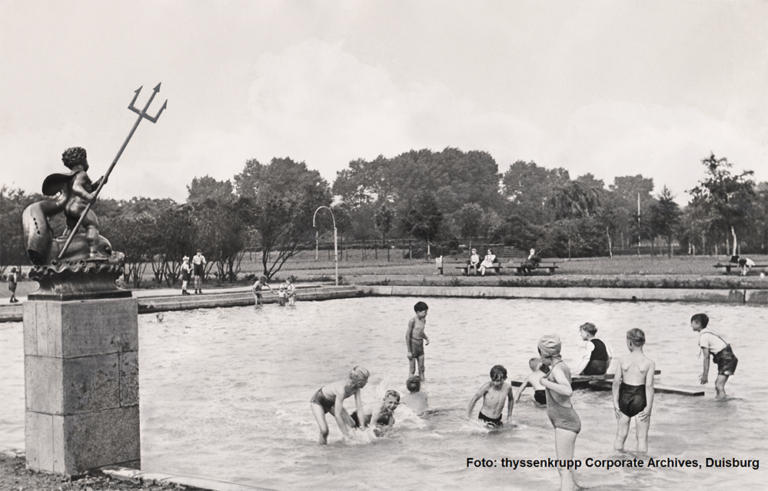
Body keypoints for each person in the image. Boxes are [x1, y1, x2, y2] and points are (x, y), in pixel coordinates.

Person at [538, 334, 580, 491]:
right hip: (565, 421)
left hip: (565, 422)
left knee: (564, 468)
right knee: (564, 466)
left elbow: (567, 390)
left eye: (540, 355)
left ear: (544, 354)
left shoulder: (556, 370)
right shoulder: (560, 366)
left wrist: (545, 382)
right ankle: (574, 488)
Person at [613, 328, 655, 453]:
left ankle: (617, 464)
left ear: (629, 342)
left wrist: (615, 404)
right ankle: (641, 469)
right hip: (640, 397)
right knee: (642, 437)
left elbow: (615, 383)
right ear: (644, 342)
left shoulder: (623, 360)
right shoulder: (649, 363)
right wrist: (648, 408)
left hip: (624, 397)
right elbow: (649, 386)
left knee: (620, 435)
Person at [60, 147, 106, 258]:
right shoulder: (82, 174)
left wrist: (99, 183)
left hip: (69, 208)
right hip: (79, 206)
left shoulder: (69, 176)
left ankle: (62, 248)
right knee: (92, 225)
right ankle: (94, 252)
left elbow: (86, 188)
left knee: (70, 228)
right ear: (82, 160)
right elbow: (77, 187)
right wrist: (88, 196)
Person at [310, 367, 370, 444]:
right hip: (318, 401)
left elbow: (359, 409)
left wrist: (363, 427)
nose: (367, 382)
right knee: (324, 431)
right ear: (359, 383)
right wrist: (346, 436)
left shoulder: (357, 389)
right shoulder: (341, 390)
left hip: (332, 403)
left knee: (352, 425)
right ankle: (321, 450)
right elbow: (338, 416)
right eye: (366, 380)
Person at [691, 313, 738, 398]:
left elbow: (706, 357)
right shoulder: (709, 332)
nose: (691, 325)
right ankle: (720, 404)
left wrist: (705, 374)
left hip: (726, 358)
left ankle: (722, 406)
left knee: (719, 385)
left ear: (698, 324)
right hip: (727, 357)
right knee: (718, 385)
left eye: (692, 323)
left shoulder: (704, 336)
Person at [406, 301, 430, 381]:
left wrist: (426, 338)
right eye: (425, 312)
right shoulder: (412, 321)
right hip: (413, 347)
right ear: (418, 312)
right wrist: (409, 351)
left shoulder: (423, 320)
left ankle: (423, 386)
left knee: (422, 368)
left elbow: (420, 331)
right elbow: (407, 336)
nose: (426, 314)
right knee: (412, 369)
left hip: (420, 347)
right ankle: (410, 386)